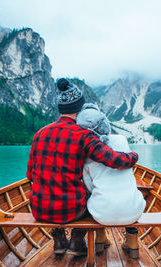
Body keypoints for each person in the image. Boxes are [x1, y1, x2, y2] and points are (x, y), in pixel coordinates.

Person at [26, 78, 139, 256]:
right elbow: (112, 159)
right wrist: (133, 156)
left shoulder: (40, 134)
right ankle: (77, 242)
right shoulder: (84, 135)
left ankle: (59, 241)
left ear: (61, 109)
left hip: (39, 209)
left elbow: (30, 175)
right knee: (90, 195)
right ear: (79, 109)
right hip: (71, 211)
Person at [77, 104, 145, 258]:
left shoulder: (87, 150)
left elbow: (88, 186)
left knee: (90, 196)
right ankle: (132, 240)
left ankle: (100, 237)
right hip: (133, 211)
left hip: (102, 214)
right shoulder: (121, 139)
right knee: (132, 193)